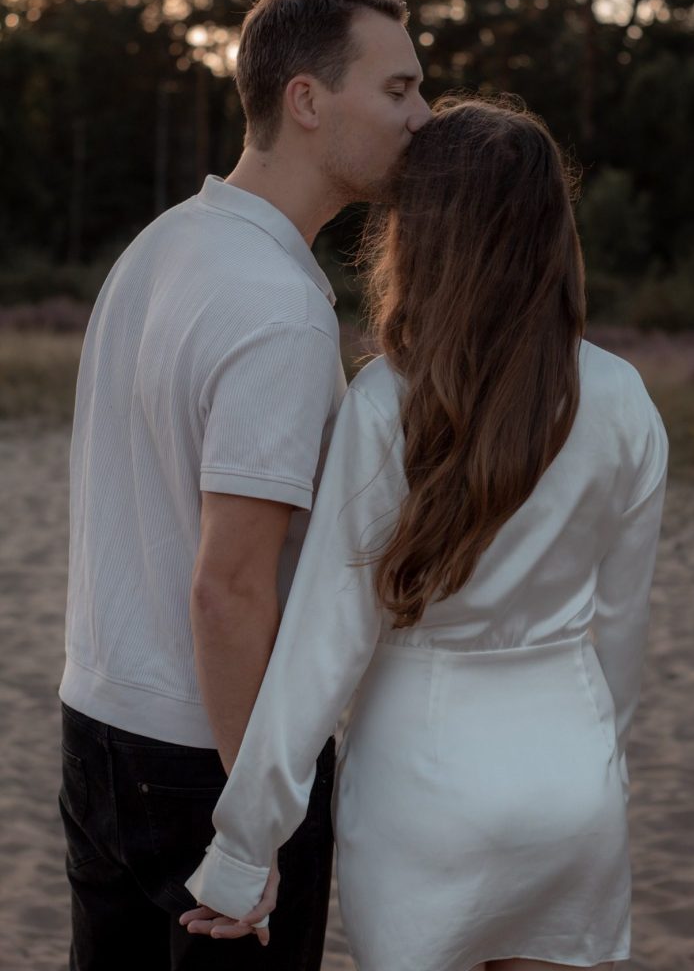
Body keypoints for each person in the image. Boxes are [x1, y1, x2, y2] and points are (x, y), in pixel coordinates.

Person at [180, 95, 668, 971]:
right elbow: (623, 630)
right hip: (571, 776)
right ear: (552, 229)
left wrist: (244, 848)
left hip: (422, 786)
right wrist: (603, 766)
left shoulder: (385, 402)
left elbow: (322, 650)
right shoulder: (627, 397)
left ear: (421, 234)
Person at [58, 0, 431, 971]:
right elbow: (228, 587)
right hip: (210, 759)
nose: (422, 116)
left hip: (97, 727)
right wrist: (253, 816)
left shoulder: (160, 248)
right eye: (397, 89)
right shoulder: (278, 304)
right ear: (307, 100)